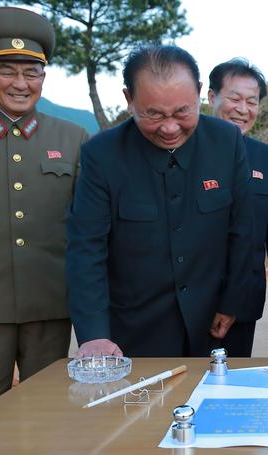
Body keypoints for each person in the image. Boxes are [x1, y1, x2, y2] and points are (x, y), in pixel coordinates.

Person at [66, 45, 253, 358]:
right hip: (134, 333)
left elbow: (243, 229)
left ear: (199, 93)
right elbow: (86, 249)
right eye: (153, 114)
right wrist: (95, 335)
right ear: (129, 100)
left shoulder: (226, 142)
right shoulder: (102, 156)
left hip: (215, 324)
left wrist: (231, 301)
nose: (169, 128)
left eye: (183, 112)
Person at [0, 7, 89, 400]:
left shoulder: (74, 138)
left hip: (51, 306)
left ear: (44, 77)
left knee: (46, 410)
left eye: (31, 72)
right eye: (7, 70)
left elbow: (88, 229)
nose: (20, 83)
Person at [207, 58, 268, 357]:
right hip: (190, 294)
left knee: (232, 376)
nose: (243, 109)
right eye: (234, 98)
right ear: (211, 97)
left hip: (244, 293)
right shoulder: (186, 151)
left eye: (252, 101)